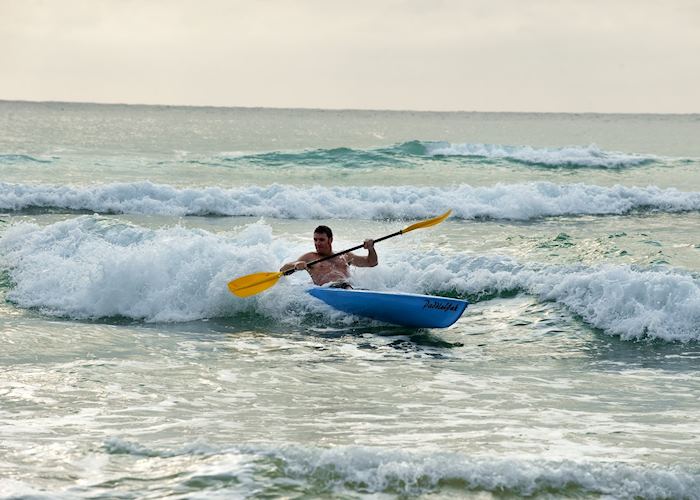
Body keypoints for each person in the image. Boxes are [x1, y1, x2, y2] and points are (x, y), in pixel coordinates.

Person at [280, 225, 377, 287]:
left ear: (330, 240)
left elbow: (371, 262)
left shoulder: (345, 255)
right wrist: (296, 265)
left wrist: (371, 248)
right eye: (315, 239)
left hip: (349, 289)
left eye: (321, 240)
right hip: (329, 290)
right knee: (344, 286)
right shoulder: (310, 257)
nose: (317, 243)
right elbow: (283, 270)